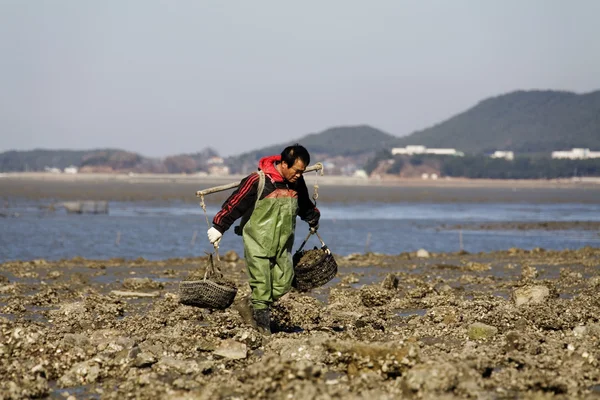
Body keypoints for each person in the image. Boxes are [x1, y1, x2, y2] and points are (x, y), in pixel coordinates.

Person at [207, 144, 320, 334]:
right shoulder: (258, 180)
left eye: (302, 171)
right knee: (261, 285)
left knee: (284, 282)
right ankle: (263, 329)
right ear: (284, 163)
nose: (299, 175)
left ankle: (250, 303)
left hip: (284, 244)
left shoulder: (296, 182)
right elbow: (235, 204)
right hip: (257, 242)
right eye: (296, 171)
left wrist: (312, 217)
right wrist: (218, 226)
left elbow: (304, 204)